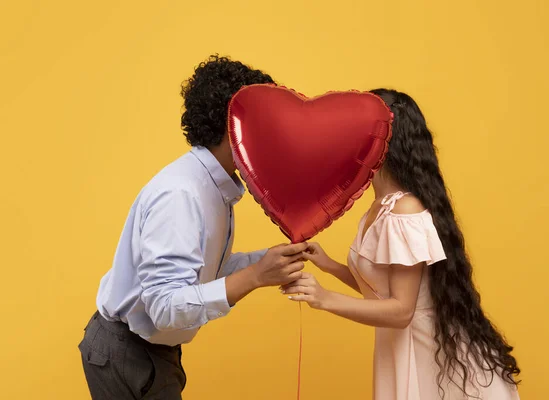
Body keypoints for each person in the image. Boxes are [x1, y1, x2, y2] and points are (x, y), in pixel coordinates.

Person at [78, 55, 308, 400]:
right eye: (266, 127)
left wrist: (267, 262)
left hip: (149, 352)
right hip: (126, 353)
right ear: (236, 129)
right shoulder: (182, 195)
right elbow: (166, 306)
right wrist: (256, 276)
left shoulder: (212, 187)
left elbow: (200, 271)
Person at [282, 89, 520, 400]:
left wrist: (324, 298)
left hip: (428, 358)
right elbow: (381, 291)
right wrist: (327, 265)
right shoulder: (381, 206)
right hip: (402, 347)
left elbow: (401, 311)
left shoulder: (403, 211)